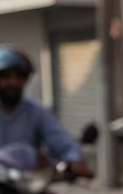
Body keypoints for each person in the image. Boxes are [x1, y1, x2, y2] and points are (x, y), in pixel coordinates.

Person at [0, 46, 93, 177]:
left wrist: (74, 160)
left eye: (19, 76)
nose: (13, 82)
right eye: (5, 76)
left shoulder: (36, 112)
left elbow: (59, 138)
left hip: (28, 183)